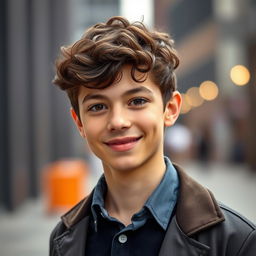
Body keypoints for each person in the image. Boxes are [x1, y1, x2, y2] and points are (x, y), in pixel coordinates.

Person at [49, 16, 256, 255]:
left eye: (137, 101)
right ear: (80, 123)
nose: (118, 121)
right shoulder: (63, 238)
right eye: (97, 107)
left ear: (170, 109)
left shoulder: (236, 241)